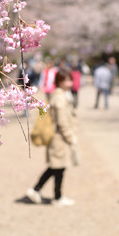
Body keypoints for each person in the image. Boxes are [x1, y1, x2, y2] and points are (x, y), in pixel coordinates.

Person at [27, 70, 78, 207]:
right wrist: (69, 136)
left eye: (70, 80)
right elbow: (61, 121)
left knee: (57, 167)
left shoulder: (60, 95)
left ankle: (42, 191)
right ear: (60, 81)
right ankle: (53, 195)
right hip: (59, 138)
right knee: (57, 167)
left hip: (59, 137)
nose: (70, 83)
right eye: (67, 80)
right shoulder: (59, 97)